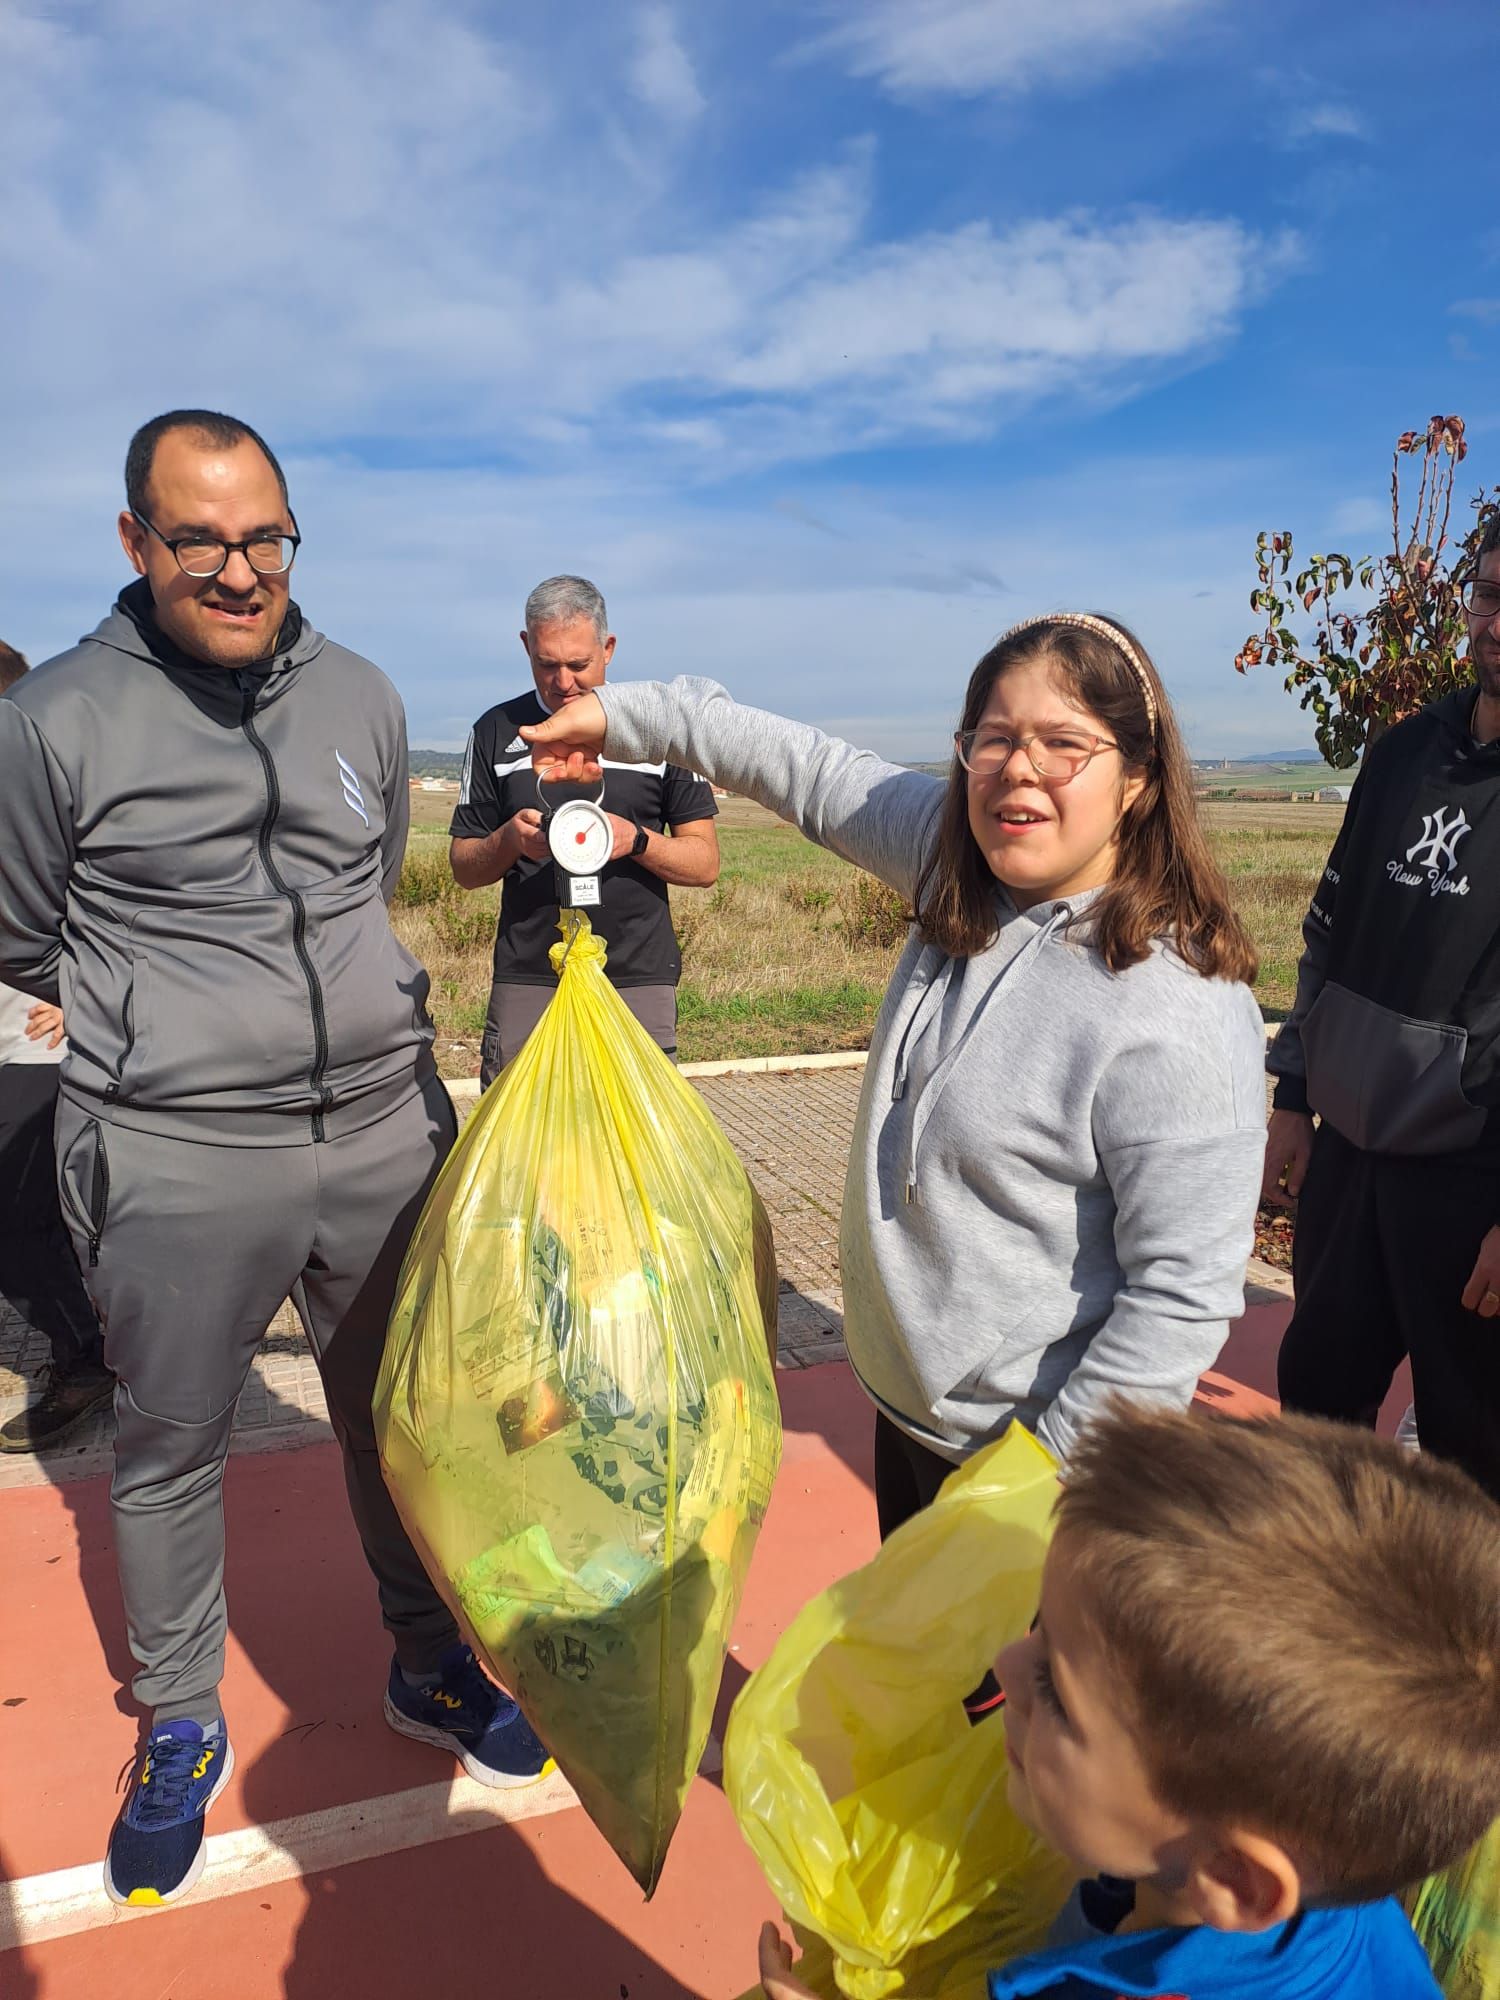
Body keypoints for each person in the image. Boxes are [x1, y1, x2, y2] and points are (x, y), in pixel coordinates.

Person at [0, 411, 547, 1910]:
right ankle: (178, 1722)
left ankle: (429, 1666)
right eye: (201, 540)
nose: (239, 572)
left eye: (266, 538)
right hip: (173, 1158)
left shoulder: (365, 695)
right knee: (172, 1447)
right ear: (135, 542)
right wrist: (168, 1024)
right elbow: (15, 928)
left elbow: (364, 891)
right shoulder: (51, 719)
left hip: (383, 1129)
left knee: (408, 1421)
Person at [524, 620, 1267, 1633]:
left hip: (1035, 1463)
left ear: (1137, 776)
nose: (1020, 770)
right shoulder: (950, 856)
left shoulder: (1176, 1005)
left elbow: (1179, 1297)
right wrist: (621, 713)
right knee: (925, 1725)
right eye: (993, 736)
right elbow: (800, 765)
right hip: (911, 1411)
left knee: (1021, 1756)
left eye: (1065, 743)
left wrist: (1037, 1488)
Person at [756, 1403, 1500, 1999]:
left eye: (1055, 1688)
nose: (1004, 1667)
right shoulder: (1330, 1877)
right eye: (1036, 1631)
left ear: (1236, 1880)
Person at [1264, 511, 1500, 1502]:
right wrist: (1290, 1095)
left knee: (1472, 1453)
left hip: (1474, 1176)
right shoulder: (1402, 751)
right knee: (1314, 1400)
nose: (1497, 620)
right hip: (1351, 1158)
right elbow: (1328, 931)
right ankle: (1329, 1623)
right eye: (1490, 593)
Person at [450, 575, 720, 1087]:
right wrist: (509, 840)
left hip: (637, 976)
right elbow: (464, 868)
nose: (563, 682)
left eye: (579, 664)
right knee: (525, 1149)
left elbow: (704, 864)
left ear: (609, 648)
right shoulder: (495, 730)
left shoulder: (658, 732)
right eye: (546, 664)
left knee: (639, 1149)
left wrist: (635, 839)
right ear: (526, 645)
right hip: (529, 976)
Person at [0, 636, 112, 1452]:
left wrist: (83, 995)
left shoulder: (50, 789)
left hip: (37, 1042)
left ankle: (89, 1355)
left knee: (19, 1214)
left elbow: (120, 904)